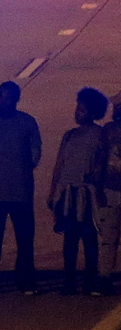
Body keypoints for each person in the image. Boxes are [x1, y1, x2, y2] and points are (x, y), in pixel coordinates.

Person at [0, 82, 41, 295]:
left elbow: (35, 152)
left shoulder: (27, 122)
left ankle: (26, 281)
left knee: (24, 238)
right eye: (2, 97)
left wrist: (19, 169)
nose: (5, 101)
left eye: (10, 97)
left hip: (20, 190)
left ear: (16, 98)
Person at [49, 88, 109, 295]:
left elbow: (102, 164)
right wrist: (53, 192)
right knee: (70, 239)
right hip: (68, 193)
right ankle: (69, 282)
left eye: (82, 110)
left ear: (92, 113)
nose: (77, 112)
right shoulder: (69, 135)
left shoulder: (100, 135)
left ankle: (90, 281)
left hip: (88, 194)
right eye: (77, 108)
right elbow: (59, 165)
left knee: (89, 237)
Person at [97, 94, 121, 295]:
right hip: (111, 188)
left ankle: (105, 277)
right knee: (108, 237)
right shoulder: (107, 131)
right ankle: (104, 276)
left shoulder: (108, 131)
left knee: (108, 238)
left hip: (110, 188)